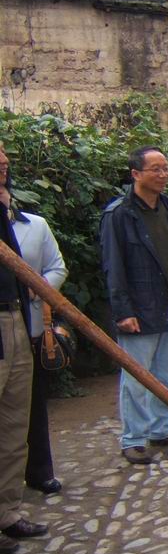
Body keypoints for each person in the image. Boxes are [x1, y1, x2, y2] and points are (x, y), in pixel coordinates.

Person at [100, 147, 168, 465]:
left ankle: (163, 428)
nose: (163, 175)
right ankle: (133, 438)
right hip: (139, 310)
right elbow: (112, 265)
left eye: (165, 169)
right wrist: (123, 311)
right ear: (136, 174)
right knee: (136, 378)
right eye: (155, 169)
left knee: (167, 374)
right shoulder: (119, 214)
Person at [8, 172, 68, 495]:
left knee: (33, 405)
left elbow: (56, 267)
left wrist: (35, 289)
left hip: (30, 327)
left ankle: (40, 470)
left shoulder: (35, 226)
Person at [0, 144, 45, 554]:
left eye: (4, 159)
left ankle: (8, 512)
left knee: (15, 423)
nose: (3, 165)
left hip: (14, 317)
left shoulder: (5, 209)